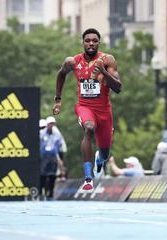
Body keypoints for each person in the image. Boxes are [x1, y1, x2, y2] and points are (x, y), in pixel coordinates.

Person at [52, 28, 122, 191]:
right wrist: (58, 100)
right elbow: (61, 74)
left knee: (105, 153)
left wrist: (103, 71)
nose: (91, 43)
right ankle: (88, 177)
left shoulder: (107, 60)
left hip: (104, 111)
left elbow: (118, 88)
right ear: (82, 42)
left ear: (99, 42)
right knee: (89, 129)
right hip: (84, 107)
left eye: (95, 41)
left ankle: (99, 160)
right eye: (87, 40)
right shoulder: (73, 62)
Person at [39, 116, 63, 200]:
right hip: (43, 157)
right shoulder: (41, 133)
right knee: (42, 175)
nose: (51, 125)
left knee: (52, 176)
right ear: (47, 124)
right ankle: (40, 193)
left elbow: (60, 146)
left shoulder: (57, 134)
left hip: (53, 157)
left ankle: (50, 195)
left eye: (53, 124)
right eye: (50, 124)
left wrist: (59, 158)